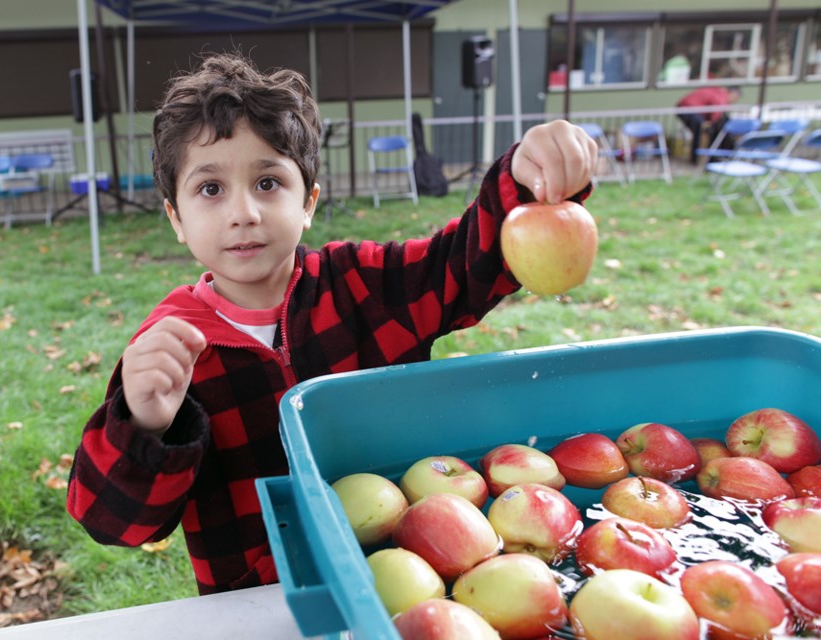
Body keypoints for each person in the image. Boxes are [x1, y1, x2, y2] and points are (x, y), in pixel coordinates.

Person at [66, 52, 597, 595]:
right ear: (176, 217)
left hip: (410, 581)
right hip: (262, 603)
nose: (243, 211)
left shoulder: (364, 284)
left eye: (268, 183)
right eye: (210, 189)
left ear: (309, 202)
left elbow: (466, 265)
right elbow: (112, 522)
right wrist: (145, 425)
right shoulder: (170, 349)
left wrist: (527, 182)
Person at [677, 85, 742, 164]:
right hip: (689, 109)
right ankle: (697, 160)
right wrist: (713, 123)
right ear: (733, 94)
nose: (732, 103)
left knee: (700, 132)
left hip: (685, 108)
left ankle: (697, 159)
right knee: (701, 132)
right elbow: (717, 112)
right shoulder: (722, 95)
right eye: (735, 99)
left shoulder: (717, 91)